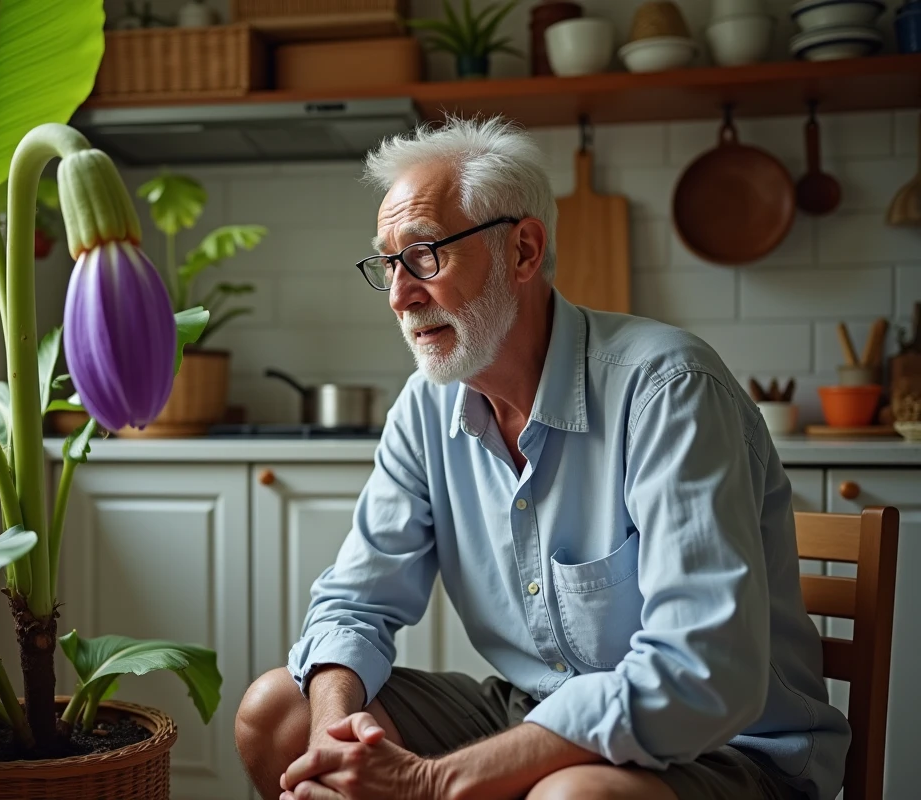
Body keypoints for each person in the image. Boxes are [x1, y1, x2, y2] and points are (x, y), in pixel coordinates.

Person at [234, 116, 850, 800]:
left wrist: (435, 783)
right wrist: (331, 738)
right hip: (537, 711)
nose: (403, 294)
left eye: (426, 254)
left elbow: (699, 670)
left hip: (726, 750)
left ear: (522, 251)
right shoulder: (425, 407)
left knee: (573, 797)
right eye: (388, 263)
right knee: (277, 713)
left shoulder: (669, 389)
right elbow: (353, 605)